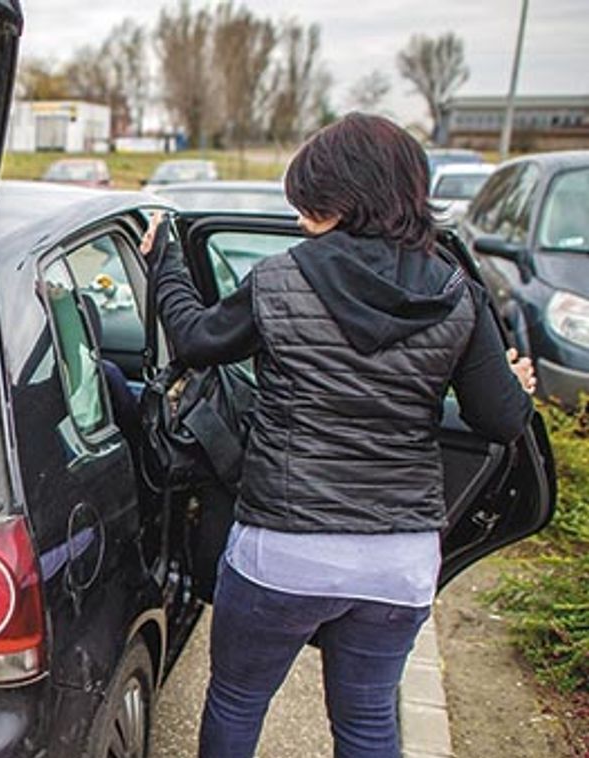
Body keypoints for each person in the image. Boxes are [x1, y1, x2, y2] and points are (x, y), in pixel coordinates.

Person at [140, 112, 537, 758]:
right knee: (367, 722)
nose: (301, 219)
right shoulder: (458, 295)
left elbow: (197, 340)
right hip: (396, 562)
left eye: (312, 203)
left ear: (348, 200)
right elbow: (499, 419)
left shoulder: (280, 278)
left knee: (238, 701)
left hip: (283, 551)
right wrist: (513, 383)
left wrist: (165, 264)